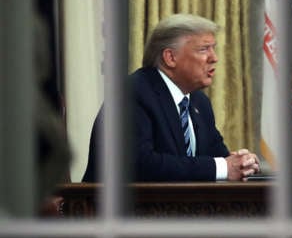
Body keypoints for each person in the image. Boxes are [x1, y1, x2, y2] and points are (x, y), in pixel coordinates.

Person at [82, 13, 260, 182]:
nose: (214, 58)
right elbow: (140, 164)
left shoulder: (199, 102)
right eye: (204, 49)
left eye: (214, 49)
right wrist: (221, 167)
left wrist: (241, 163)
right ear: (170, 57)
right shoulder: (132, 93)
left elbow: (218, 156)